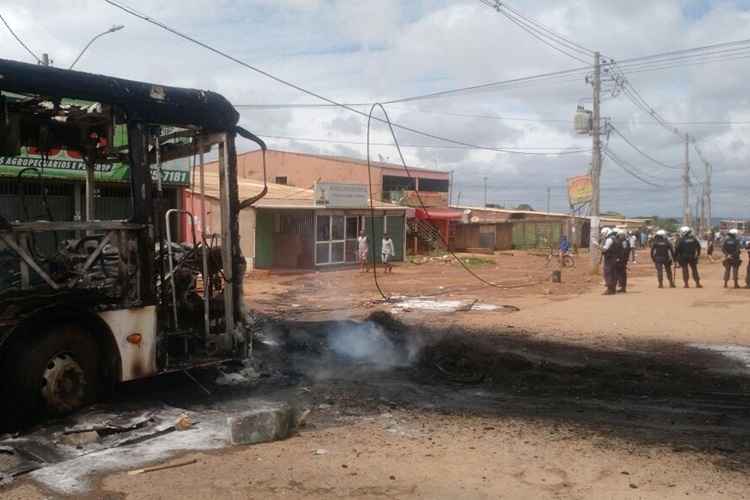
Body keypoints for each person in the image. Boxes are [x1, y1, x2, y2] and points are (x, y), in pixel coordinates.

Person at [600, 227, 620, 295]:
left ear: (606, 232)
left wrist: (598, 246)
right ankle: (613, 289)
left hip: (609, 259)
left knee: (608, 273)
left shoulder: (609, 239)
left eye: (603, 233)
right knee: (613, 273)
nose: (603, 235)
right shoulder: (615, 238)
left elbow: (605, 249)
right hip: (615, 258)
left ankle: (609, 289)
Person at [615, 229, 629, 293]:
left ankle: (622, 287)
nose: (620, 236)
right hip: (622, 259)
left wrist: (620, 258)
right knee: (620, 273)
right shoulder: (622, 241)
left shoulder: (624, 242)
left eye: (621, 235)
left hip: (621, 260)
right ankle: (622, 287)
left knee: (621, 273)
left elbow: (624, 251)